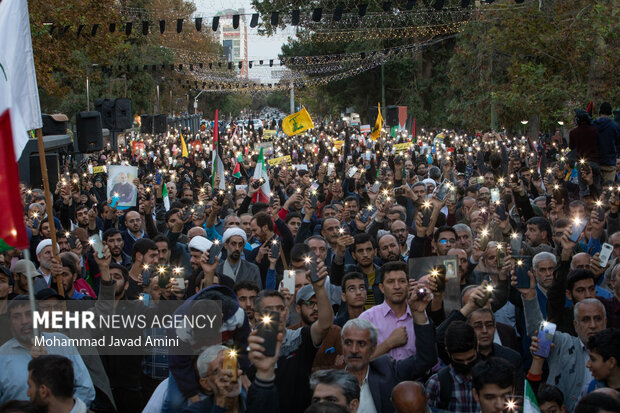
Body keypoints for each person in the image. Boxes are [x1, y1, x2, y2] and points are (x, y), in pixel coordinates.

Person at [340, 286, 436, 413]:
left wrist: (418, 314)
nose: (354, 350)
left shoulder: (388, 371)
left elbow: (426, 359)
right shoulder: (333, 382)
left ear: (373, 347)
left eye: (361, 344)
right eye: (348, 343)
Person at [0, 297, 95, 405]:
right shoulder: (2, 356)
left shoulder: (61, 342)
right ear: (10, 322)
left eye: (29, 314)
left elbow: (86, 388)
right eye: (16, 317)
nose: (24, 321)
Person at [359, 261, 417, 360]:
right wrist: (388, 344)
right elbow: (359, 360)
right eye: (390, 281)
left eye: (402, 281)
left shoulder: (419, 315)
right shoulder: (367, 319)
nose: (397, 286)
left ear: (408, 286)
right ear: (381, 288)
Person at [426, 321, 479, 412]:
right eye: (459, 360)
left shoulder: (492, 378)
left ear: (477, 347)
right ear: (448, 352)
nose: (466, 364)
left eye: (470, 359)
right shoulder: (436, 383)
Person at [594, 102, 620, 183]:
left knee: (595, 190)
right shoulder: (615, 126)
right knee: (608, 190)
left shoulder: (593, 125)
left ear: (599, 112)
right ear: (610, 112)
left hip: (595, 162)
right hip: (609, 163)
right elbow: (618, 144)